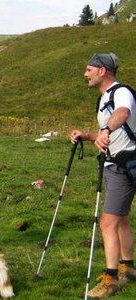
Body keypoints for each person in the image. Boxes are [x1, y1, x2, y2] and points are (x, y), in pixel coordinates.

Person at [70, 53, 136, 299]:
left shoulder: (121, 93)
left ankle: (111, 280)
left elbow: (123, 114)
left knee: (108, 223)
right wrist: (88, 135)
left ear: (102, 71)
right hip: (121, 163)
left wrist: (106, 128)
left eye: (89, 69)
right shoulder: (105, 98)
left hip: (124, 164)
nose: (85, 74)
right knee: (122, 219)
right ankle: (127, 268)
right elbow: (110, 131)